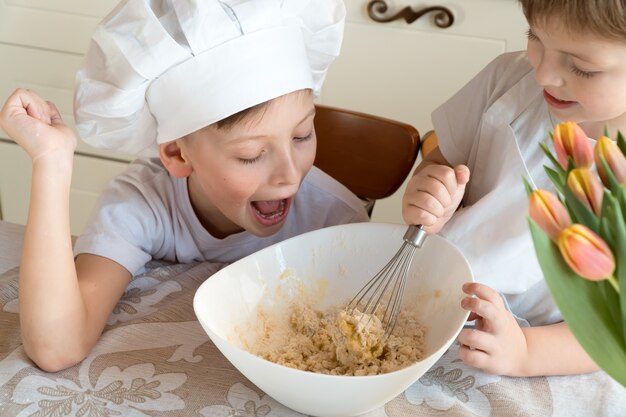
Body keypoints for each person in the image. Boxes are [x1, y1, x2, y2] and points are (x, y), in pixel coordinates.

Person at [0, 0, 368, 372]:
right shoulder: (142, 204)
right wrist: (51, 161)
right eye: (252, 154)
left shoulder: (336, 221)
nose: (290, 174)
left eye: (302, 134)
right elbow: (56, 346)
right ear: (177, 154)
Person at [401, 0, 626, 377]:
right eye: (534, 37)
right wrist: (429, 196)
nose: (543, 74)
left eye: (582, 69)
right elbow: (443, 161)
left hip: (554, 355)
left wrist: (525, 353)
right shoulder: (507, 81)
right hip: (430, 300)